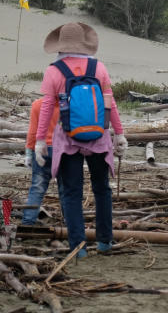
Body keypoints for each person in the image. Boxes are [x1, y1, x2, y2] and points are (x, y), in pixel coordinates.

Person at [35, 22, 127, 256]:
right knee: (102, 190)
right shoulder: (99, 68)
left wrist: (39, 140)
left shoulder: (54, 71)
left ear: (60, 45)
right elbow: (110, 102)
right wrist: (120, 133)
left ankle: (78, 247)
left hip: (67, 140)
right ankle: (105, 242)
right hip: (98, 137)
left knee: (72, 193)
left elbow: (46, 107)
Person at [22, 95, 61, 225]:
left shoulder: (37, 104)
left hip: (41, 150)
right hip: (63, 150)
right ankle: (71, 224)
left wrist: (28, 152)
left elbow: (33, 132)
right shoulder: (68, 104)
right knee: (67, 189)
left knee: (37, 188)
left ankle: (28, 222)